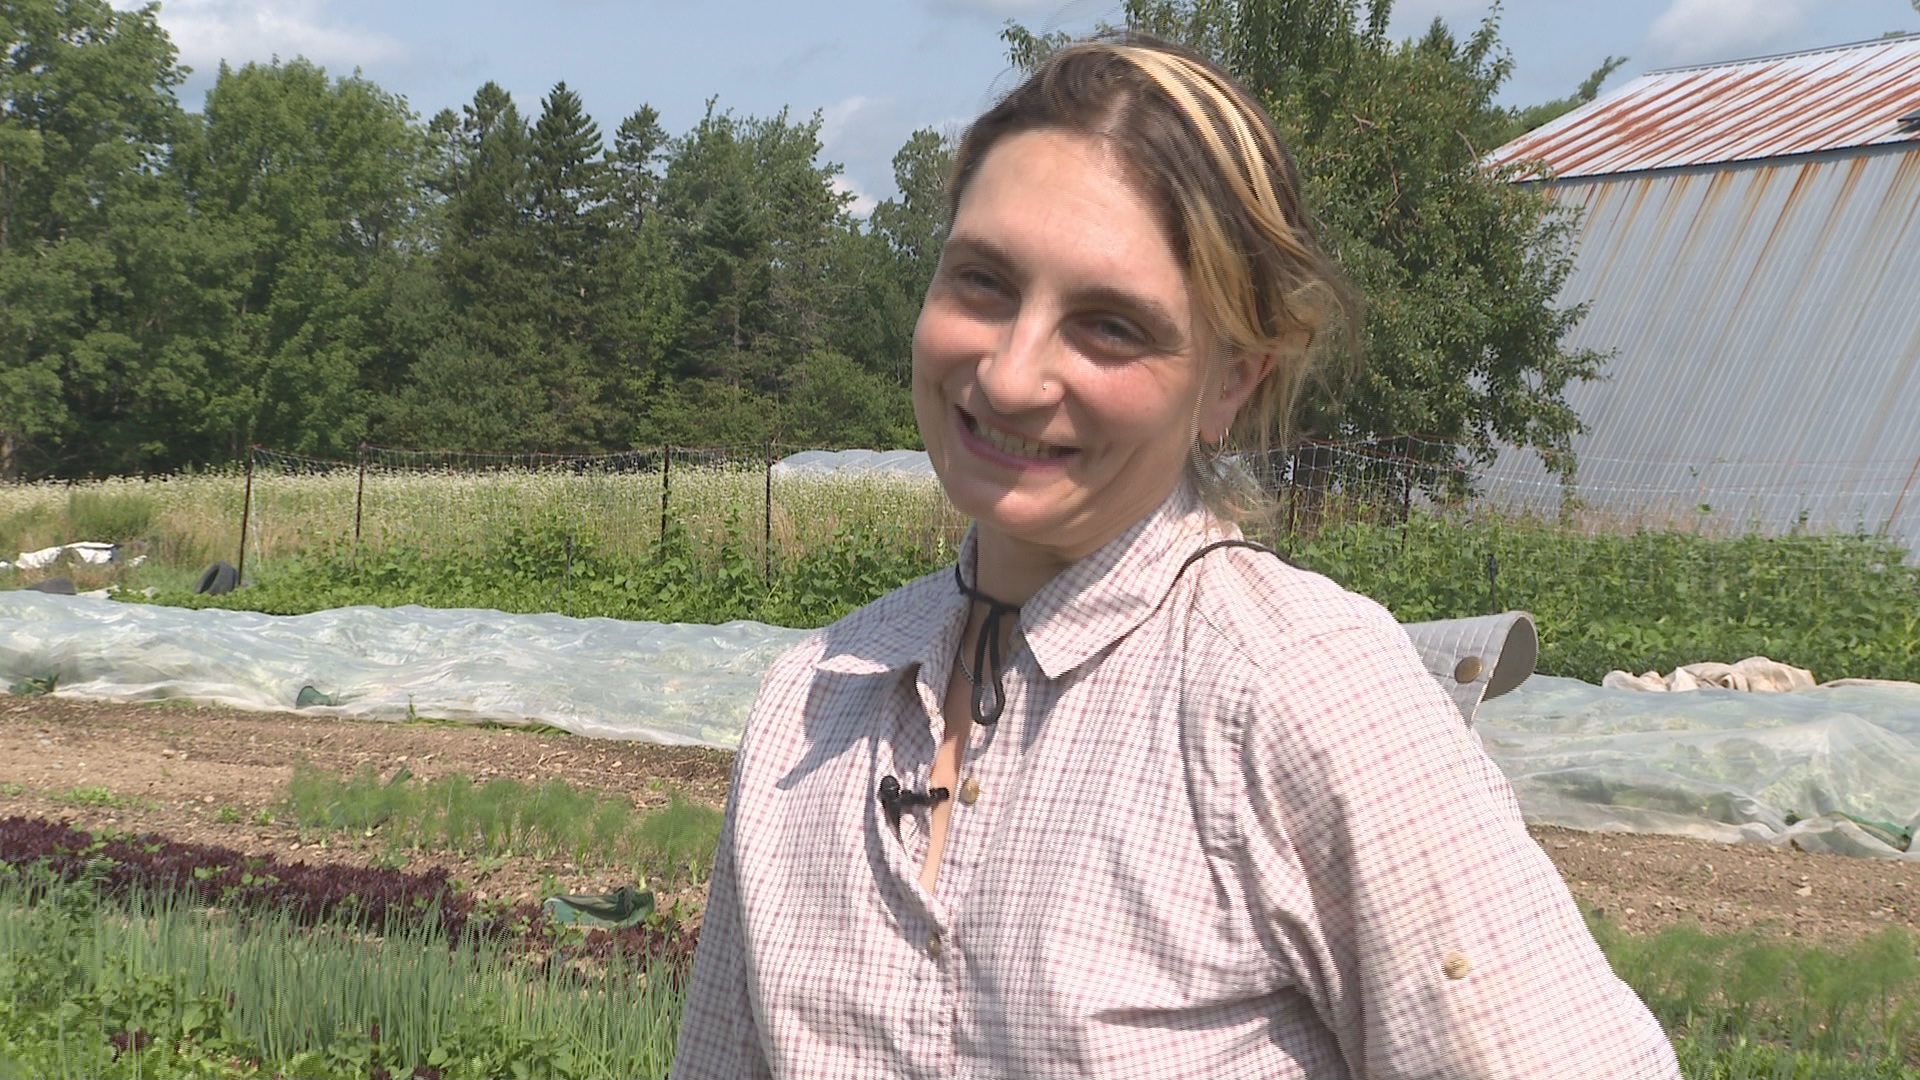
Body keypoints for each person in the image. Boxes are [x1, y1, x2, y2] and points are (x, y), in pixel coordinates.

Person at [671, 35, 1680, 1080]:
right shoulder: (813, 705)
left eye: (1109, 326)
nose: (1012, 376)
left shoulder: (1301, 698)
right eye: (983, 281)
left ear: (1232, 381)